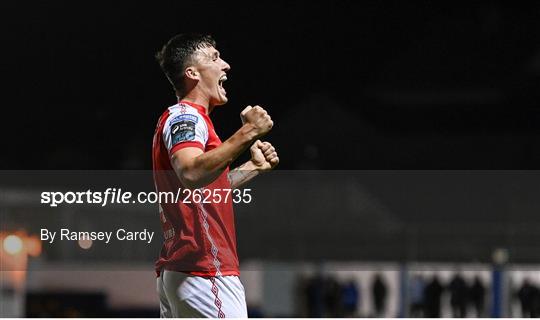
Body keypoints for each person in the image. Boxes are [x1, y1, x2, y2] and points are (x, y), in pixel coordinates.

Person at [152, 34, 279, 318]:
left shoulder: (187, 119)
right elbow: (191, 172)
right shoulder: (186, 117)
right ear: (192, 73)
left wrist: (252, 168)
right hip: (204, 269)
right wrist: (249, 132)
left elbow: (202, 190)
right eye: (214, 57)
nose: (225, 65)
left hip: (184, 269)